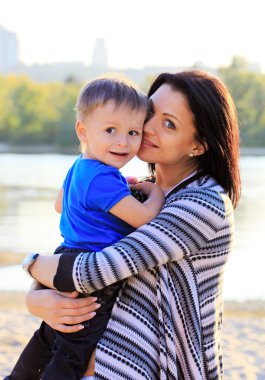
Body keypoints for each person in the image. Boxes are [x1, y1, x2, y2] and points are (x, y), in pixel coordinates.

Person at [22, 70, 241, 380]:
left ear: (198, 145)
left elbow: (98, 269)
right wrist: (39, 299)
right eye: (149, 113)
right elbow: (79, 247)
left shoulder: (202, 204)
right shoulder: (137, 191)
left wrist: (31, 265)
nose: (147, 128)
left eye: (169, 124)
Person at [6, 77, 165, 380]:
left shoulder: (80, 167)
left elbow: (59, 205)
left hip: (67, 255)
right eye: (110, 130)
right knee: (75, 348)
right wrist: (155, 191)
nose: (123, 142)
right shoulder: (103, 178)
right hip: (93, 269)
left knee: (51, 334)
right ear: (83, 130)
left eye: (133, 132)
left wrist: (114, 196)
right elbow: (145, 219)